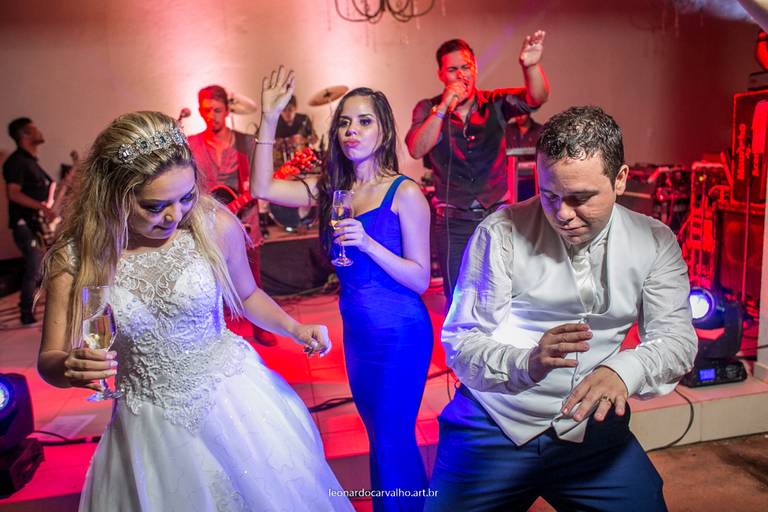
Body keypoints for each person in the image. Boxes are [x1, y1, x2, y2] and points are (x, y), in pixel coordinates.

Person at [37, 111, 352, 511]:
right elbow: (50, 358)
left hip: (235, 402)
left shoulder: (211, 225)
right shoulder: (76, 258)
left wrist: (294, 328)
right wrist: (67, 368)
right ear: (113, 195)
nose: (175, 215)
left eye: (185, 197)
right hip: (149, 422)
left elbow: (248, 295)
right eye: (155, 206)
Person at [425, 106, 698, 511]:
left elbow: (677, 341)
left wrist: (624, 370)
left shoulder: (655, 241)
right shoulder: (500, 233)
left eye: (580, 198)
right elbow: (462, 341)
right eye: (549, 195)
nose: (563, 214)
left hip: (590, 427)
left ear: (620, 179)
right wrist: (526, 363)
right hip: (494, 423)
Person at [252, 67, 433, 512]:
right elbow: (261, 187)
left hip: (400, 334)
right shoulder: (333, 190)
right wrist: (269, 118)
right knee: (382, 440)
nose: (352, 131)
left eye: (364, 121)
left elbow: (419, 279)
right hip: (359, 336)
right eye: (345, 123)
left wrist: (368, 244)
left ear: (384, 129)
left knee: (391, 439)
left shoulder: (405, 194)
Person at [405, 32, 550, 303]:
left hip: (496, 215)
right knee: (458, 299)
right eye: (453, 69)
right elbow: (416, 148)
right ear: (441, 74)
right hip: (453, 221)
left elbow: (536, 98)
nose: (461, 74)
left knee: (504, 292)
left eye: (466, 67)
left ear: (475, 69)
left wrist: (530, 66)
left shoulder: (495, 102)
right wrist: (444, 106)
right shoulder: (428, 108)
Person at [187, 84, 276, 346]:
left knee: (253, 276)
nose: (211, 116)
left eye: (217, 110)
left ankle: (261, 326)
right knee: (208, 280)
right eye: (206, 111)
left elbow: (263, 177)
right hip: (206, 220)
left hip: (244, 216)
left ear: (227, 110)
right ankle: (216, 331)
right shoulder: (191, 144)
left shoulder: (245, 142)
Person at [3, 117, 55, 325]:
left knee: (40, 268)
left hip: (36, 224)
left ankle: (34, 308)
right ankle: (26, 312)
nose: (39, 132)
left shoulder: (31, 162)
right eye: (34, 129)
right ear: (24, 134)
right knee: (33, 268)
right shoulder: (16, 162)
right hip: (25, 225)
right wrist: (43, 208)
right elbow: (13, 194)